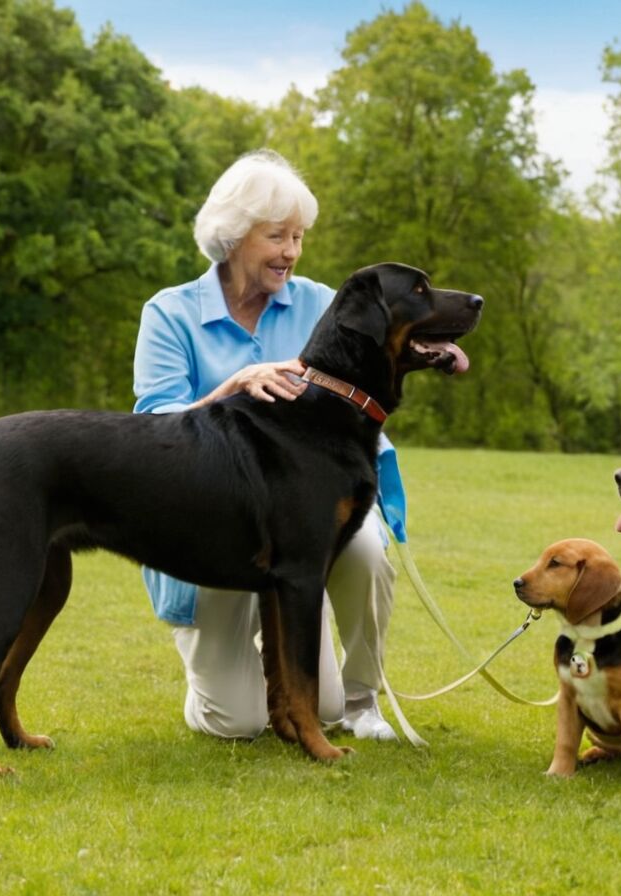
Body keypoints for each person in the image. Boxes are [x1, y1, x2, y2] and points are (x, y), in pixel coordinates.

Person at [133, 149, 403, 742]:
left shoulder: (320, 305)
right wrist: (230, 387)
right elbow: (152, 427)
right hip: (209, 533)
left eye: (299, 236)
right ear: (232, 236)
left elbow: (366, 404)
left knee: (365, 552)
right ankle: (228, 675)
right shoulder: (170, 314)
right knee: (238, 723)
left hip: (305, 524)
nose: (291, 251)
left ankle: (360, 701)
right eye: (276, 235)